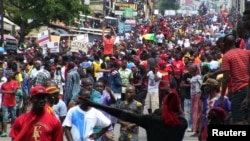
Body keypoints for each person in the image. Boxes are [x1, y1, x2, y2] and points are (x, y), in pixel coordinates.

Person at [80, 92, 187, 141]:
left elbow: (124, 114)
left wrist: (95, 104)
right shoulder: (182, 123)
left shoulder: (152, 120)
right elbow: (176, 116)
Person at [221, 34, 250, 124]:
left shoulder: (226, 56)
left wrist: (222, 96)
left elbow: (226, 78)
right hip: (248, 88)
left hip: (239, 90)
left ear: (224, 44)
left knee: (238, 120)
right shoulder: (246, 52)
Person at [1, 70, 19, 137]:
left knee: (13, 117)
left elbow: (14, 92)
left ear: (12, 75)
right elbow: (2, 94)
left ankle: (13, 131)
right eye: (7, 74)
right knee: (5, 118)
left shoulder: (15, 82)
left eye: (9, 74)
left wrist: (4, 91)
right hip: (5, 103)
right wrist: (2, 102)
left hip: (13, 102)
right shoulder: (4, 84)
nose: (8, 75)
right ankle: (5, 132)